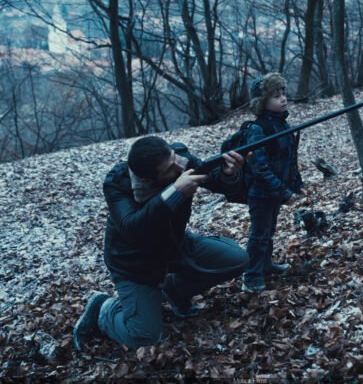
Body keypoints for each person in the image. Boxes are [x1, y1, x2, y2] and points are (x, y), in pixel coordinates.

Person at [73, 136, 249, 350]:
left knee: (237, 259)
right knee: (144, 336)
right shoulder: (117, 183)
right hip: (134, 264)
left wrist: (229, 173)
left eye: (175, 158)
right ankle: (103, 309)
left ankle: (175, 292)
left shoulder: (179, 159)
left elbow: (219, 183)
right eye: (169, 169)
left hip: (173, 246)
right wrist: (175, 193)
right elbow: (132, 228)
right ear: (147, 179)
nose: (179, 167)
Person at [242, 72, 304, 293]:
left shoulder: (282, 124)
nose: (283, 99)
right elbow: (259, 168)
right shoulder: (258, 129)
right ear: (262, 102)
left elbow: (289, 158)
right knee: (259, 234)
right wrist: (283, 192)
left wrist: (296, 184)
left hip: (276, 191)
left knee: (269, 231)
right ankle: (251, 276)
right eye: (276, 96)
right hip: (261, 193)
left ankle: (266, 265)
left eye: (283, 93)